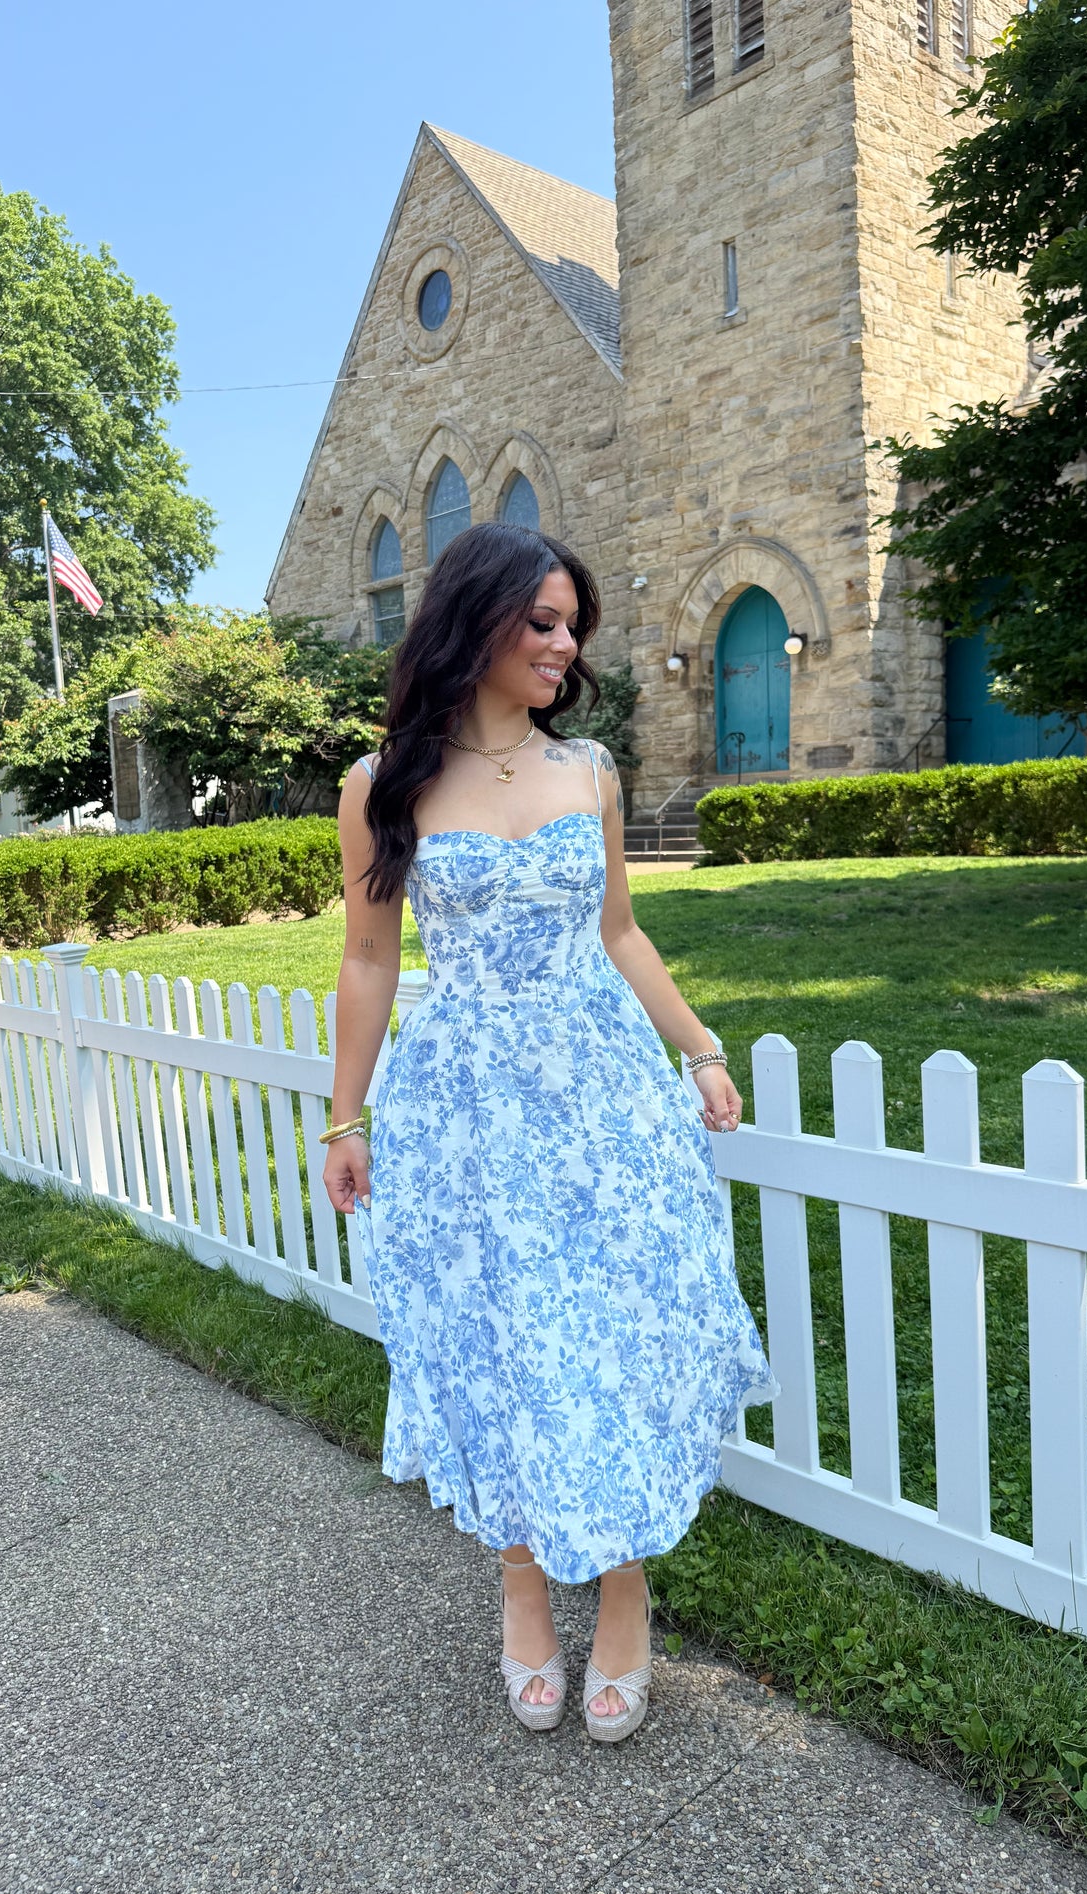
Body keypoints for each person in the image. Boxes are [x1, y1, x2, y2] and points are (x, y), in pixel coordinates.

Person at [323, 521, 779, 1743]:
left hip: (598, 1097)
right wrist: (344, 1116)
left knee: (614, 1329)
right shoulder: (382, 784)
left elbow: (618, 930)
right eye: (541, 621)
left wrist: (698, 1047)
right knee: (501, 1335)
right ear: (472, 620)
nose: (564, 644)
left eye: (571, 625)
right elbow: (367, 959)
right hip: (466, 1108)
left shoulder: (590, 771)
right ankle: (521, 1585)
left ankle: (623, 1592)